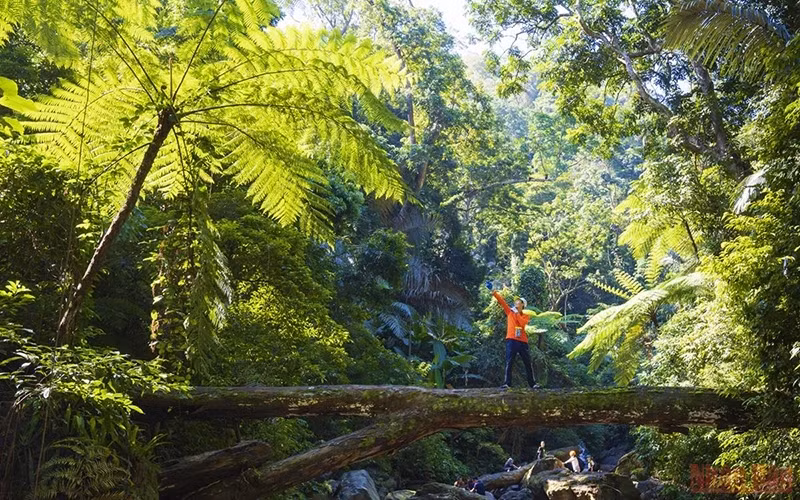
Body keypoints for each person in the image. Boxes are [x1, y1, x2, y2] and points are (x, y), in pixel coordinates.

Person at [486, 281, 539, 389]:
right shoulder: (509, 312)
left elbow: (522, 323)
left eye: (519, 302)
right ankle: (507, 383)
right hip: (511, 340)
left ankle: (532, 384)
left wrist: (516, 313)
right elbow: (501, 301)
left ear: (523, 305)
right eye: (517, 301)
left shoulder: (525, 316)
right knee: (509, 362)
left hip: (523, 341)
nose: (516, 303)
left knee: (527, 363)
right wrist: (493, 291)